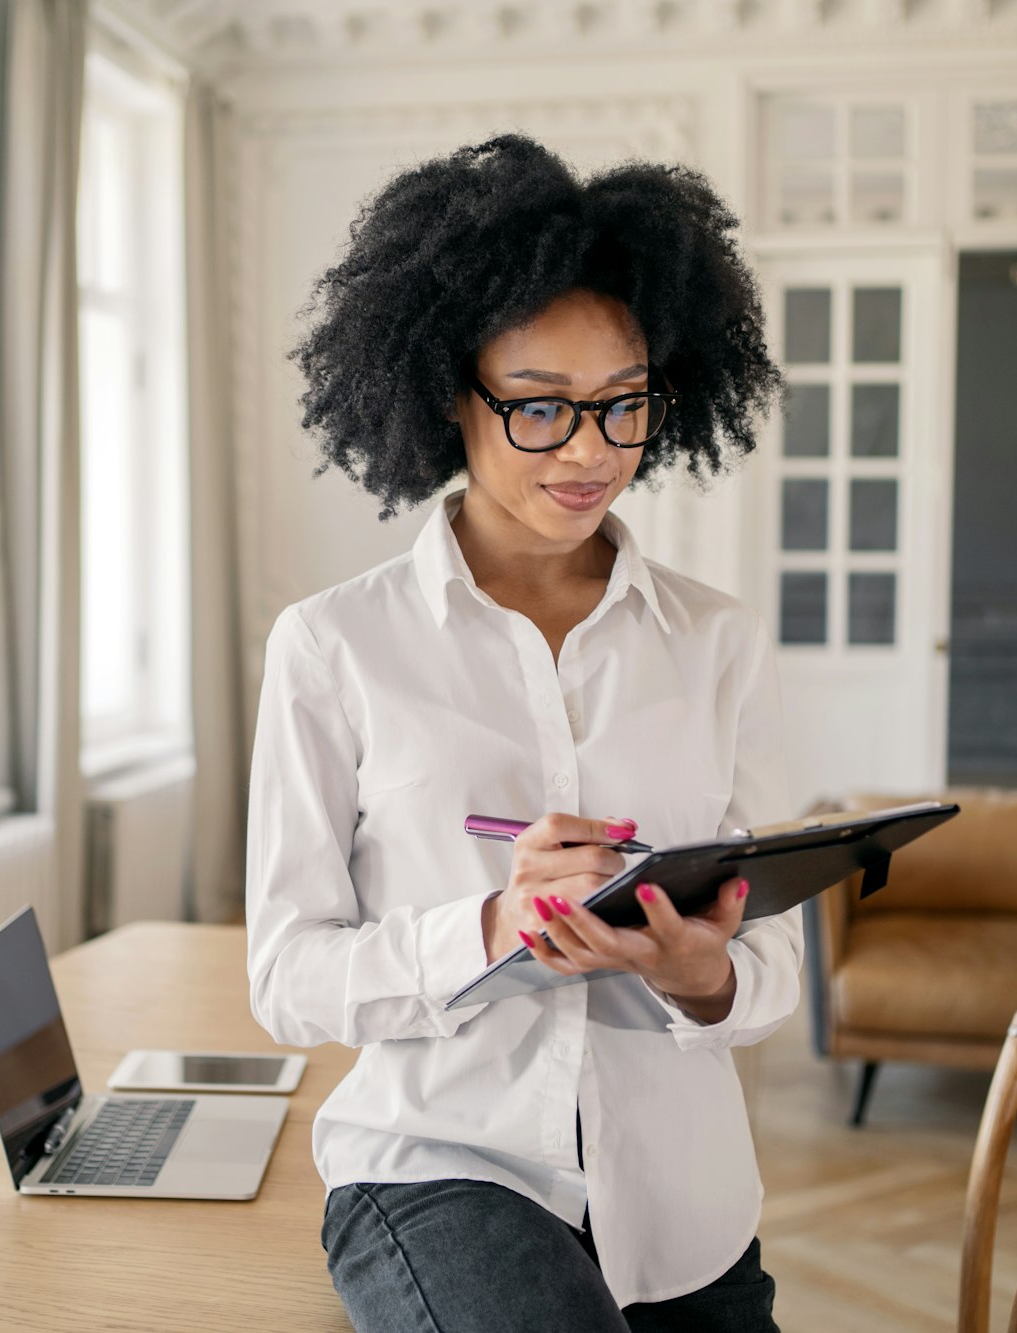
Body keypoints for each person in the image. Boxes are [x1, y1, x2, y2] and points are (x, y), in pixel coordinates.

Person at [244, 134, 798, 1333]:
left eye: (622, 404)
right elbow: (286, 978)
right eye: (540, 408)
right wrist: (489, 926)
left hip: (684, 1202)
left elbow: (772, 966)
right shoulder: (333, 647)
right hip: (441, 1161)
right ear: (449, 395)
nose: (592, 450)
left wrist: (702, 976)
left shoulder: (719, 644)